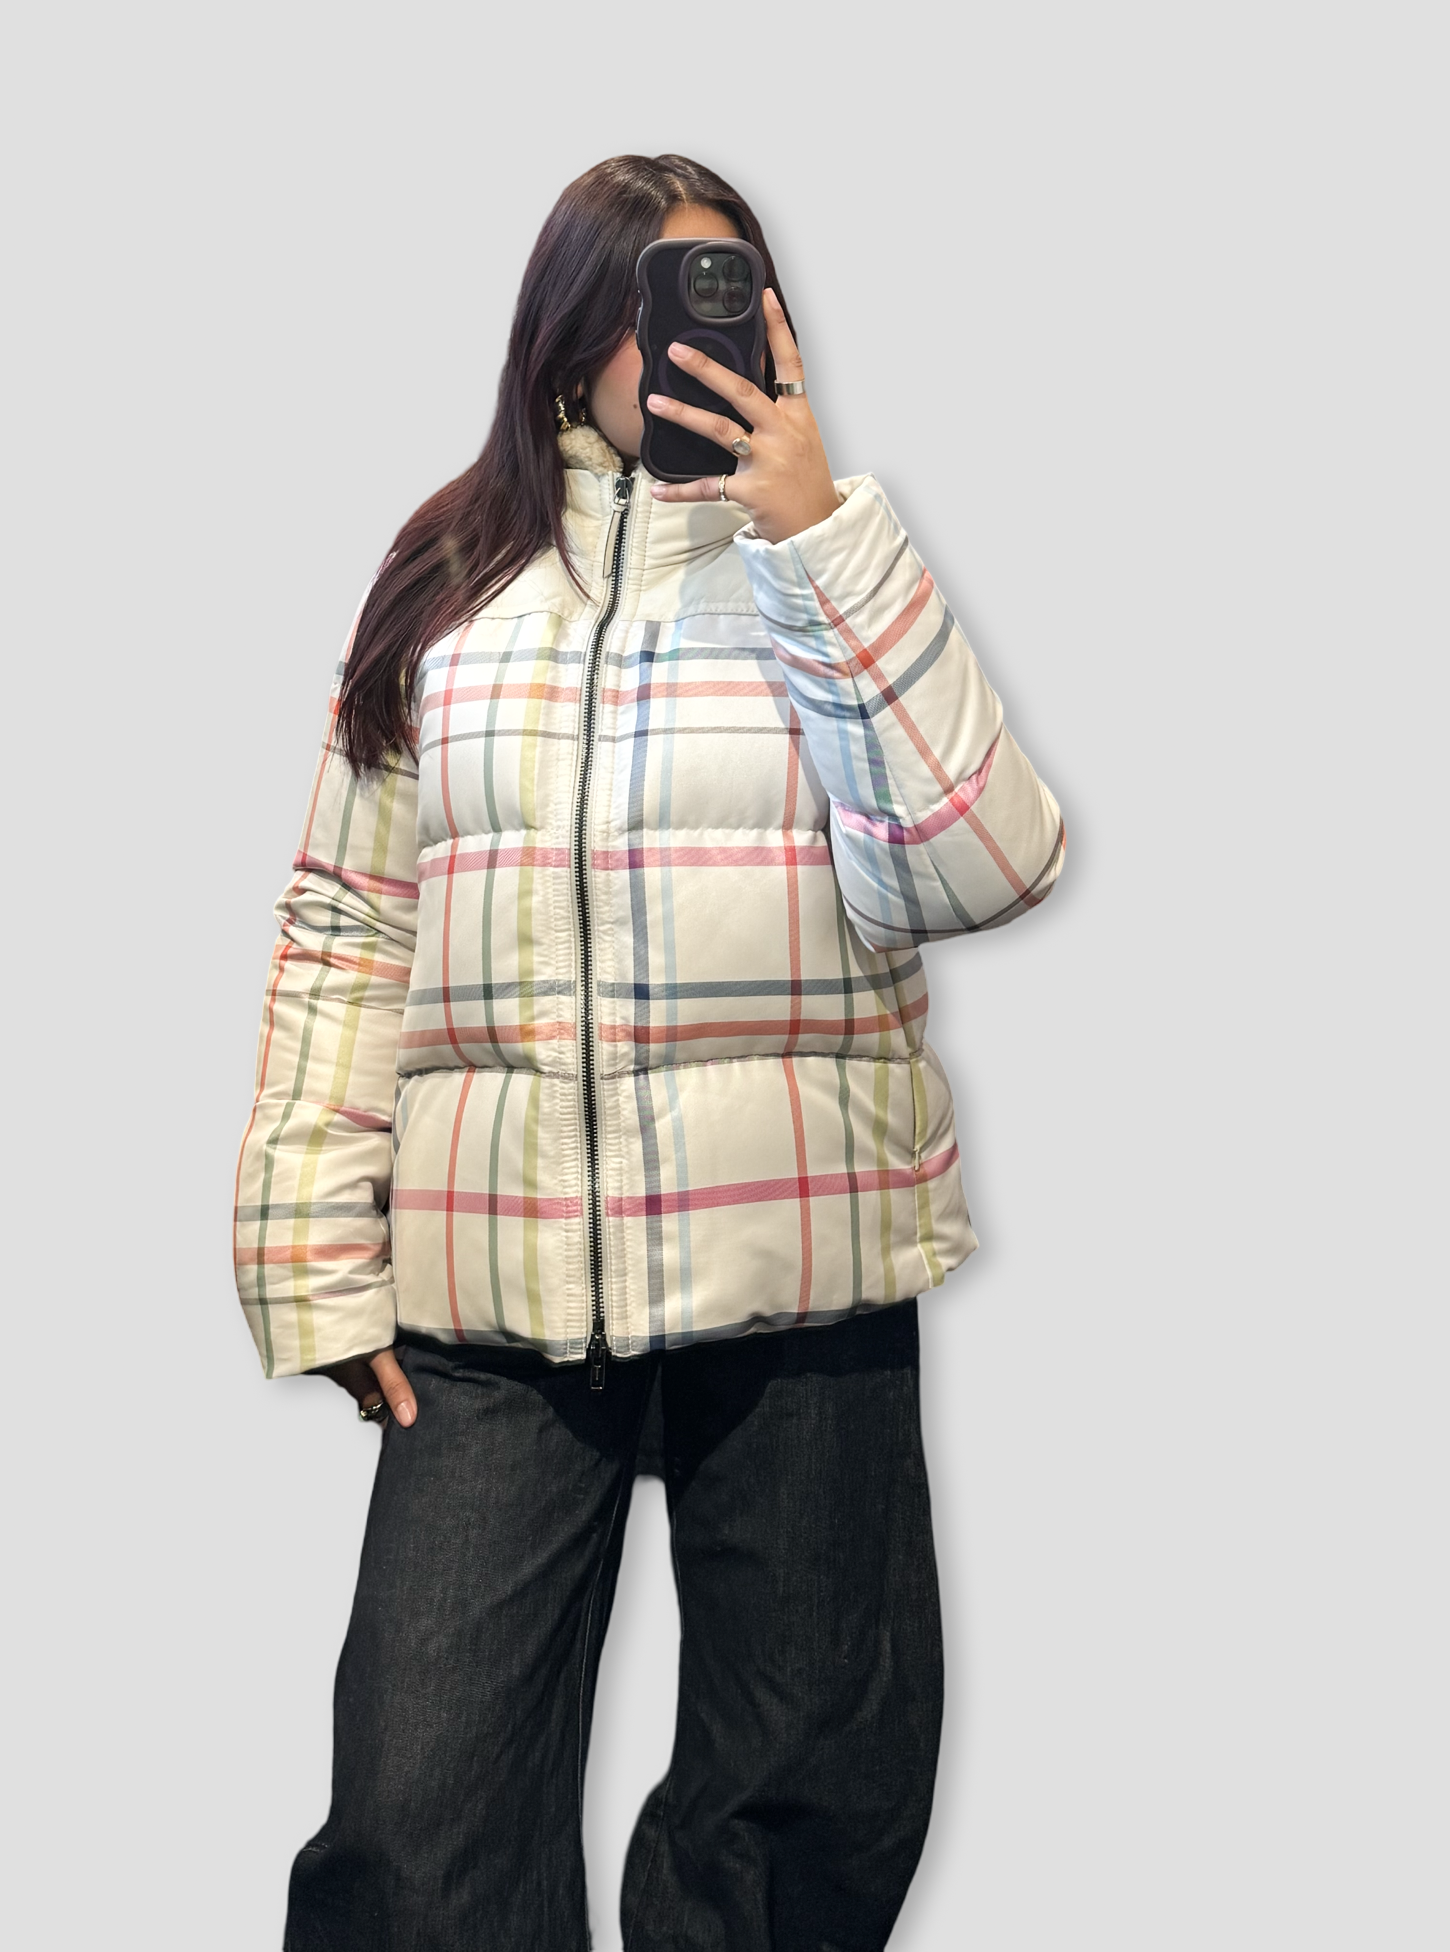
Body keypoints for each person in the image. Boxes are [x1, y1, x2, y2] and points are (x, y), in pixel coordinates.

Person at [233, 152, 1064, 1952]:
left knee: (807, 1803)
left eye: (726, 294)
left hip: (804, 1262)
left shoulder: (826, 565)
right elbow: (349, 925)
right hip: (494, 1291)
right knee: (413, 1831)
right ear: (563, 333)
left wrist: (826, 541)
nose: (685, 339)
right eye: (645, 298)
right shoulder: (446, 581)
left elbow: (985, 867)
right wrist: (314, 1255)